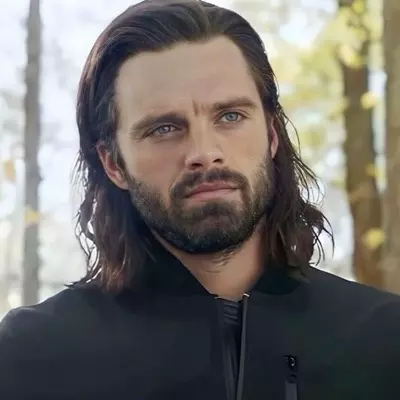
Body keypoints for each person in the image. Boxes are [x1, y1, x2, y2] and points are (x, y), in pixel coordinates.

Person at [1, 0, 399, 399]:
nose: (205, 153)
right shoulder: (31, 357)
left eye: (230, 116)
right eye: (164, 128)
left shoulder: (385, 342)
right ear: (113, 163)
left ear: (271, 134)